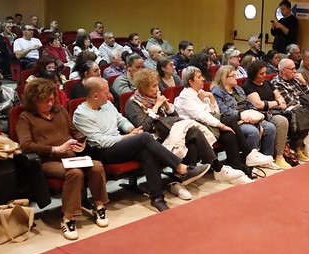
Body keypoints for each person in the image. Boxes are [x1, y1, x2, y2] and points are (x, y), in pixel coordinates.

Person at [73, 77, 209, 212]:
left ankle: (157, 198)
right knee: (144, 137)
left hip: (120, 143)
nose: (110, 95)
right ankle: (181, 168)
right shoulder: (81, 115)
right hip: (104, 152)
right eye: (106, 92)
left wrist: (132, 129)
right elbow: (100, 141)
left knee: (147, 152)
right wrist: (127, 137)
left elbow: (121, 121)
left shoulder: (107, 105)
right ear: (95, 96)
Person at [16, 78, 109, 240]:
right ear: (35, 100)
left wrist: (81, 141)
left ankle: (99, 205)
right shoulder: (26, 117)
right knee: (75, 173)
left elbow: (75, 132)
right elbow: (25, 145)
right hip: (46, 160)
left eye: (52, 99)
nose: (51, 103)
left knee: (97, 166)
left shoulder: (60, 111)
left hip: (70, 156)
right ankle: (68, 217)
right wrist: (55, 149)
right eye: (46, 101)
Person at [126, 69, 244, 193]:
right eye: (153, 86)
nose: (157, 89)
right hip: (153, 139)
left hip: (169, 131)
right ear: (143, 87)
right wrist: (155, 107)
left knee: (192, 139)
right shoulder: (133, 103)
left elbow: (175, 117)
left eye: (157, 85)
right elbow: (143, 126)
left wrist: (167, 107)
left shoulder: (155, 97)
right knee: (193, 131)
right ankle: (216, 168)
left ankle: (182, 178)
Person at [174, 66, 255, 183]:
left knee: (229, 135)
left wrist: (211, 97)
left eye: (202, 76)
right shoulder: (185, 96)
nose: (203, 79)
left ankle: (236, 170)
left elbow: (216, 112)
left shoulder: (202, 92)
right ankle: (248, 153)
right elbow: (201, 115)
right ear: (190, 81)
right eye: (199, 77)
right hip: (198, 129)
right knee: (230, 120)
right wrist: (221, 125)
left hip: (210, 124)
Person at [211, 65, 276, 167]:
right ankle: (250, 162)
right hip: (236, 120)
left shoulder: (238, 88)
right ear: (224, 78)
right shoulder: (217, 91)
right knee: (252, 131)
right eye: (232, 76)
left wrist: (254, 113)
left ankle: (266, 159)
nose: (235, 78)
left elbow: (248, 102)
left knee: (270, 128)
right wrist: (241, 116)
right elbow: (223, 110)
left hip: (248, 115)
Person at [243, 60, 291, 169]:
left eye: (265, 72)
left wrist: (277, 102)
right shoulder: (248, 85)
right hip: (260, 114)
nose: (265, 75)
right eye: (261, 74)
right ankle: (278, 156)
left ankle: (272, 156)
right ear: (254, 74)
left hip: (273, 111)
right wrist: (277, 103)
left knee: (289, 117)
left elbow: (280, 97)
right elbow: (259, 105)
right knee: (279, 122)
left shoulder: (267, 83)